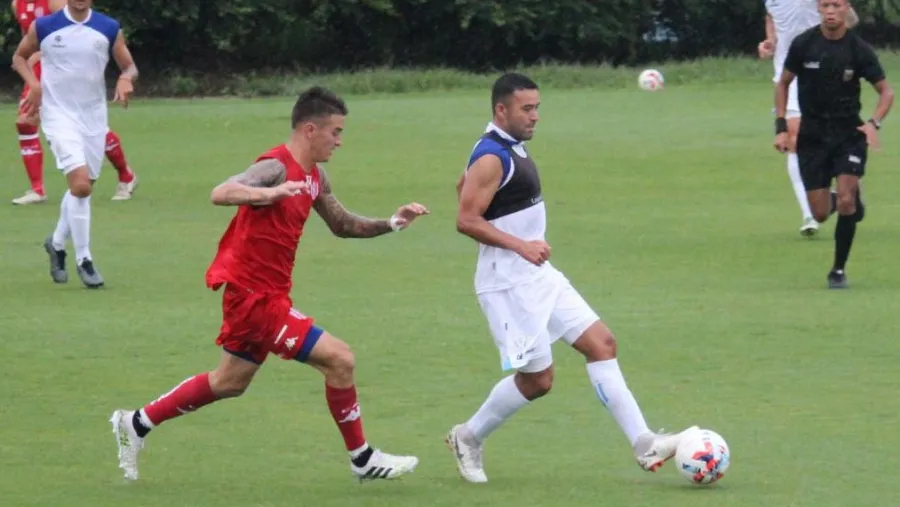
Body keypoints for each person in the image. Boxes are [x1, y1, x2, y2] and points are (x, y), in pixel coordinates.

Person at [108, 86, 429, 482]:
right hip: (253, 298)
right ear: (310, 129)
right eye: (336, 132)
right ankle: (362, 458)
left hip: (269, 295)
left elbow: (343, 224)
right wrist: (267, 192)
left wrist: (391, 223)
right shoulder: (275, 167)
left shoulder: (315, 177)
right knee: (340, 359)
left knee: (229, 382)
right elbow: (221, 192)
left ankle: (135, 423)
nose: (340, 141)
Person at [446, 72, 697, 484]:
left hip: (538, 275)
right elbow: (465, 218)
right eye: (526, 109)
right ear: (500, 110)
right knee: (538, 380)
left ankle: (643, 442)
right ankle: (468, 437)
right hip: (508, 284)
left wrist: (525, 246)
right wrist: (521, 245)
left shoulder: (507, 147)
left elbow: (464, 186)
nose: (535, 116)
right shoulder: (492, 155)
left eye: (537, 108)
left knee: (602, 343)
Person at [12, 0, 138, 287]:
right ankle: (84, 259)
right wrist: (34, 85)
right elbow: (20, 57)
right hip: (58, 115)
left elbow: (129, 66)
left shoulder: (108, 27)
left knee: (84, 186)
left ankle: (56, 243)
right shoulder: (45, 26)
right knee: (81, 186)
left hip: (93, 118)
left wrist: (125, 79)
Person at [774, 0, 894, 288]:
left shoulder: (858, 49)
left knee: (845, 200)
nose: (830, 10)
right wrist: (780, 127)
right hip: (812, 136)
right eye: (825, 5)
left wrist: (873, 123)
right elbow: (783, 83)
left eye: (836, 5)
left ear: (845, 9)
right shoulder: (804, 44)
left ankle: (838, 270)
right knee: (819, 213)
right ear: (818, 8)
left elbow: (886, 92)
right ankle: (849, 201)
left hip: (848, 135)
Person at [759, 0, 859, 236]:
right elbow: (771, 17)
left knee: (833, 136)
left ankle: (845, 192)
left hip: (825, 73)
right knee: (794, 139)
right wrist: (770, 42)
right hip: (788, 76)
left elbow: (851, 20)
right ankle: (808, 215)